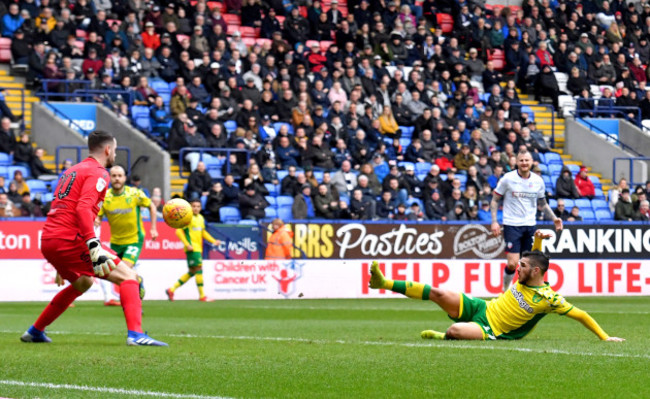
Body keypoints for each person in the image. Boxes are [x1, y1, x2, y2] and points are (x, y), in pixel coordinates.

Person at [20, 130, 167, 346]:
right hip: (71, 238)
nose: (114, 155)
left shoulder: (72, 171)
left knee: (84, 282)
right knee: (129, 277)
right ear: (108, 149)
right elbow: (82, 209)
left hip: (50, 239)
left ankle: (35, 331)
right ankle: (136, 334)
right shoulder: (99, 172)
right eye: (114, 150)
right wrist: (93, 244)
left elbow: (62, 209)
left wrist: (60, 263)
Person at [368, 231, 625, 342]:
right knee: (439, 292)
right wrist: (537, 239)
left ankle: (442, 337)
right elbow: (537, 256)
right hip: (483, 307)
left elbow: (580, 315)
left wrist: (605, 336)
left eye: (522, 266)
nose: (517, 268)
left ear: (535, 272)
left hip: (492, 328)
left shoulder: (549, 298)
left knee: (455, 330)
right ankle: (384, 282)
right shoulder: (528, 274)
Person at [491, 150, 562, 291]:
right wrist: (494, 221)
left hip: (530, 225)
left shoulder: (538, 181)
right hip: (512, 224)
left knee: (528, 265)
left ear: (531, 163)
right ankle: (504, 291)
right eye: (521, 160)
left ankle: (522, 294)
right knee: (512, 264)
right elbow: (494, 200)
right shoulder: (507, 178)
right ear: (516, 162)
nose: (524, 163)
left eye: (526, 160)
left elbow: (542, 204)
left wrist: (554, 218)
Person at [95, 165, 158, 306]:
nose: (117, 179)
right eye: (114, 176)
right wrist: (97, 220)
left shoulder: (135, 193)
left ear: (124, 178)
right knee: (107, 272)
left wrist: (153, 228)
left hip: (134, 239)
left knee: (126, 270)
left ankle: (132, 303)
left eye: (119, 176)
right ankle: (137, 280)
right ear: (109, 178)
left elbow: (152, 206)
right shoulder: (105, 197)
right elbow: (98, 216)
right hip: (116, 241)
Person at [165, 198, 220, 302]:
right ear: (190, 207)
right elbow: (178, 231)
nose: (196, 208)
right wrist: (187, 244)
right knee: (199, 269)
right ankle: (202, 296)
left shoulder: (200, 218)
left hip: (198, 248)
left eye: (198, 206)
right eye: (194, 206)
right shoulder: (187, 218)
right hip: (192, 248)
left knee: (192, 272)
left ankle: (171, 289)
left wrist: (213, 241)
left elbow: (202, 232)